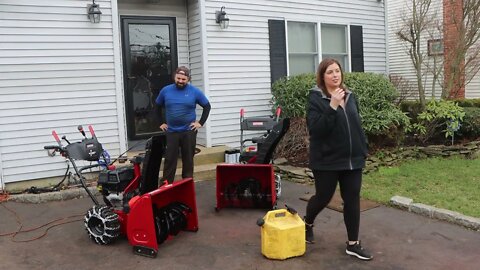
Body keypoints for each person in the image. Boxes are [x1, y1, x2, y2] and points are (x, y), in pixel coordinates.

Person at [304, 58, 373, 261]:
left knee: (352, 199)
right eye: (330, 72)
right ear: (322, 77)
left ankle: (353, 244)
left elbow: (356, 124)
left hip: (352, 159)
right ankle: (307, 223)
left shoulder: (351, 96)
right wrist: (332, 106)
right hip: (327, 160)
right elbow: (316, 130)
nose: (335, 75)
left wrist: (363, 147)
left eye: (337, 71)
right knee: (323, 197)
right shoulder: (316, 98)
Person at [155, 66, 211, 185]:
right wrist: (160, 123)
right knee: (170, 160)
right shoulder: (166, 90)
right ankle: (166, 186)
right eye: (178, 78)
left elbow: (207, 106)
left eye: (183, 79)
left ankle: (187, 185)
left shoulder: (195, 91)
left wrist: (200, 123)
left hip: (188, 131)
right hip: (171, 131)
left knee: (188, 159)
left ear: (188, 79)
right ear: (174, 77)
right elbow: (157, 106)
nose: (180, 81)